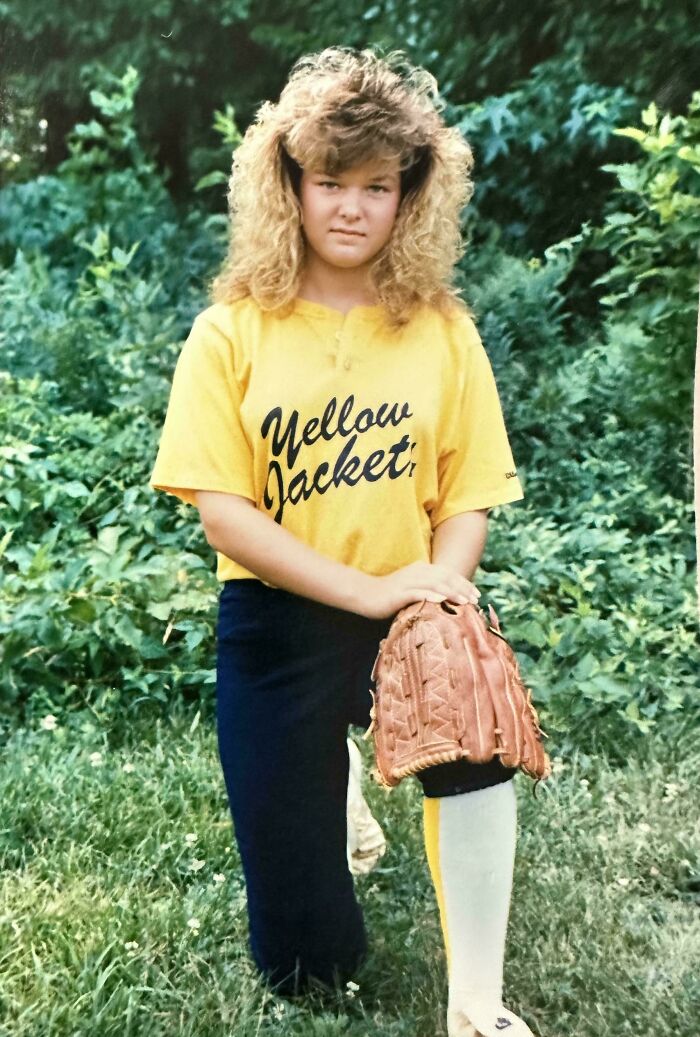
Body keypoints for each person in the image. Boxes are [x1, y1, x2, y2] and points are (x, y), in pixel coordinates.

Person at [149, 46, 537, 1037]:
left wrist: (439, 593)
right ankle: (332, 786)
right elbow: (224, 514)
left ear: (411, 196)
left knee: (472, 726)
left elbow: (470, 492)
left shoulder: (440, 328)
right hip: (277, 616)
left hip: (406, 594)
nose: (353, 207)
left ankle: (475, 1003)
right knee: (307, 967)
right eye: (330, 181)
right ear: (290, 184)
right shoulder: (230, 332)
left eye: (378, 185)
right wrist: (361, 595)